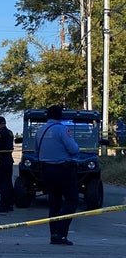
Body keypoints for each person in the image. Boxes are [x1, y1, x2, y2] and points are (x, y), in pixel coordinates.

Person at [36, 105, 80, 245]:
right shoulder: (62, 129)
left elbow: (37, 151)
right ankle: (61, 233)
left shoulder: (40, 130)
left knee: (54, 203)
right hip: (63, 169)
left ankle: (53, 234)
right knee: (72, 201)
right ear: (60, 115)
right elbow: (73, 149)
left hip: (46, 171)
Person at [0, 116, 15, 213]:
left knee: (1, 184)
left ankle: (4, 205)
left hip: (1, 161)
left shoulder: (0, 133)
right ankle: (10, 203)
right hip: (9, 160)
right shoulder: (10, 132)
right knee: (8, 183)